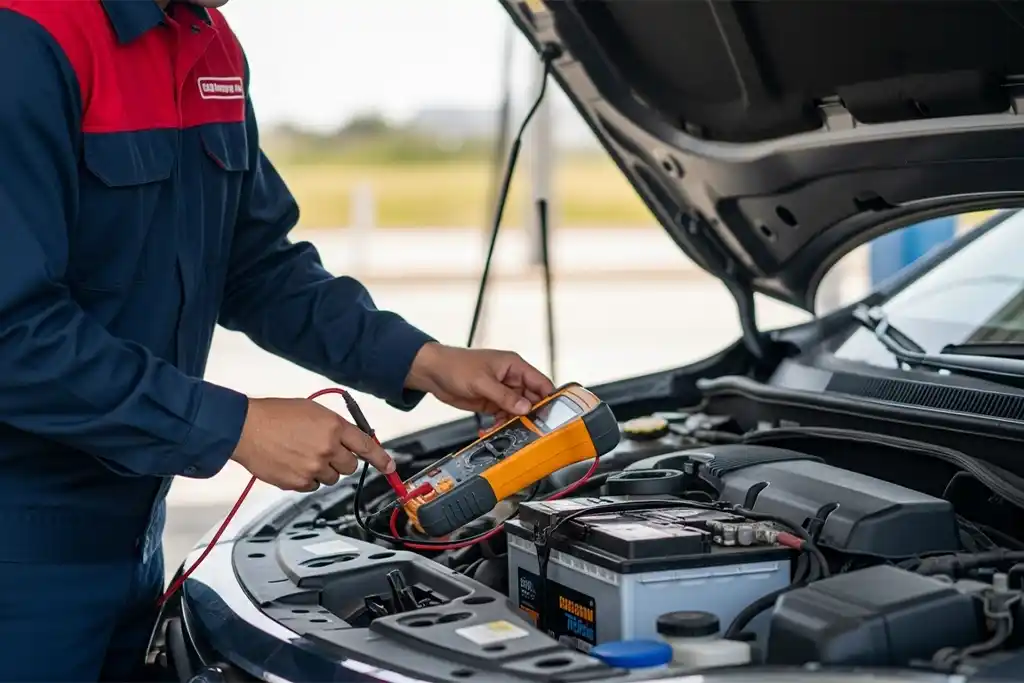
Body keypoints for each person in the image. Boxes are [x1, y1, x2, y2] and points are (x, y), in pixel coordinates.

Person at [0, 0, 555, 680]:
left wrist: (423, 360)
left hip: (129, 538)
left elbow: (255, 264)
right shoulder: (27, 35)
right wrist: (234, 426)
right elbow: (12, 334)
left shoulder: (209, 44)